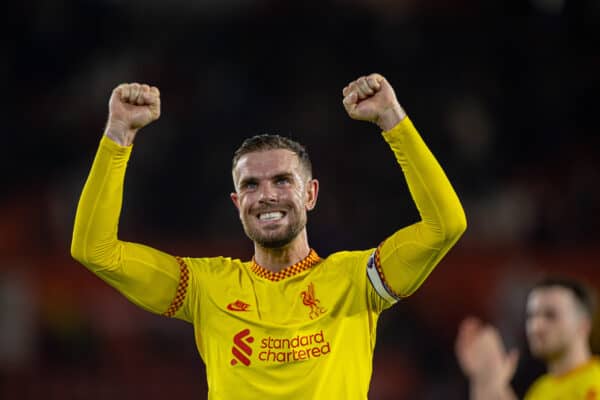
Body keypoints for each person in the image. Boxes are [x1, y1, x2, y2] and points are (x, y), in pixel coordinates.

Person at [71, 73, 467, 399]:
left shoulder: (357, 281)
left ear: (310, 194)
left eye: (282, 180)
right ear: (236, 201)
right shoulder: (205, 287)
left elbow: (445, 225)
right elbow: (95, 250)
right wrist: (119, 132)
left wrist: (392, 121)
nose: (266, 196)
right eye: (251, 185)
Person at [456, 277, 600, 399]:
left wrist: (495, 387)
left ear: (583, 325)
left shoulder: (595, 382)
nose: (536, 326)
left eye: (551, 315)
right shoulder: (541, 388)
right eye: (531, 316)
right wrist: (484, 380)